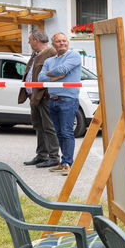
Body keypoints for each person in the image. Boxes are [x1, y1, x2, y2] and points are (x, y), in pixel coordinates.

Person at [38, 32, 82, 176]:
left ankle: (68, 163)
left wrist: (52, 75)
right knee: (59, 133)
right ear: (53, 44)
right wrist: (56, 76)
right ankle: (63, 162)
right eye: (58, 41)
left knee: (67, 132)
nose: (62, 43)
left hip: (68, 99)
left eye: (64, 41)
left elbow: (63, 70)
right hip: (53, 100)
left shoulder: (73, 56)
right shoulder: (49, 61)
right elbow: (40, 78)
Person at [19, 30, 60, 168]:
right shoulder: (36, 54)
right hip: (34, 96)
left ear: (36, 40)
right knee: (38, 125)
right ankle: (42, 155)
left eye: (30, 39)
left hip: (44, 96)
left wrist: (46, 92)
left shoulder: (52, 53)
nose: (28, 42)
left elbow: (57, 75)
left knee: (49, 127)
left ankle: (54, 156)